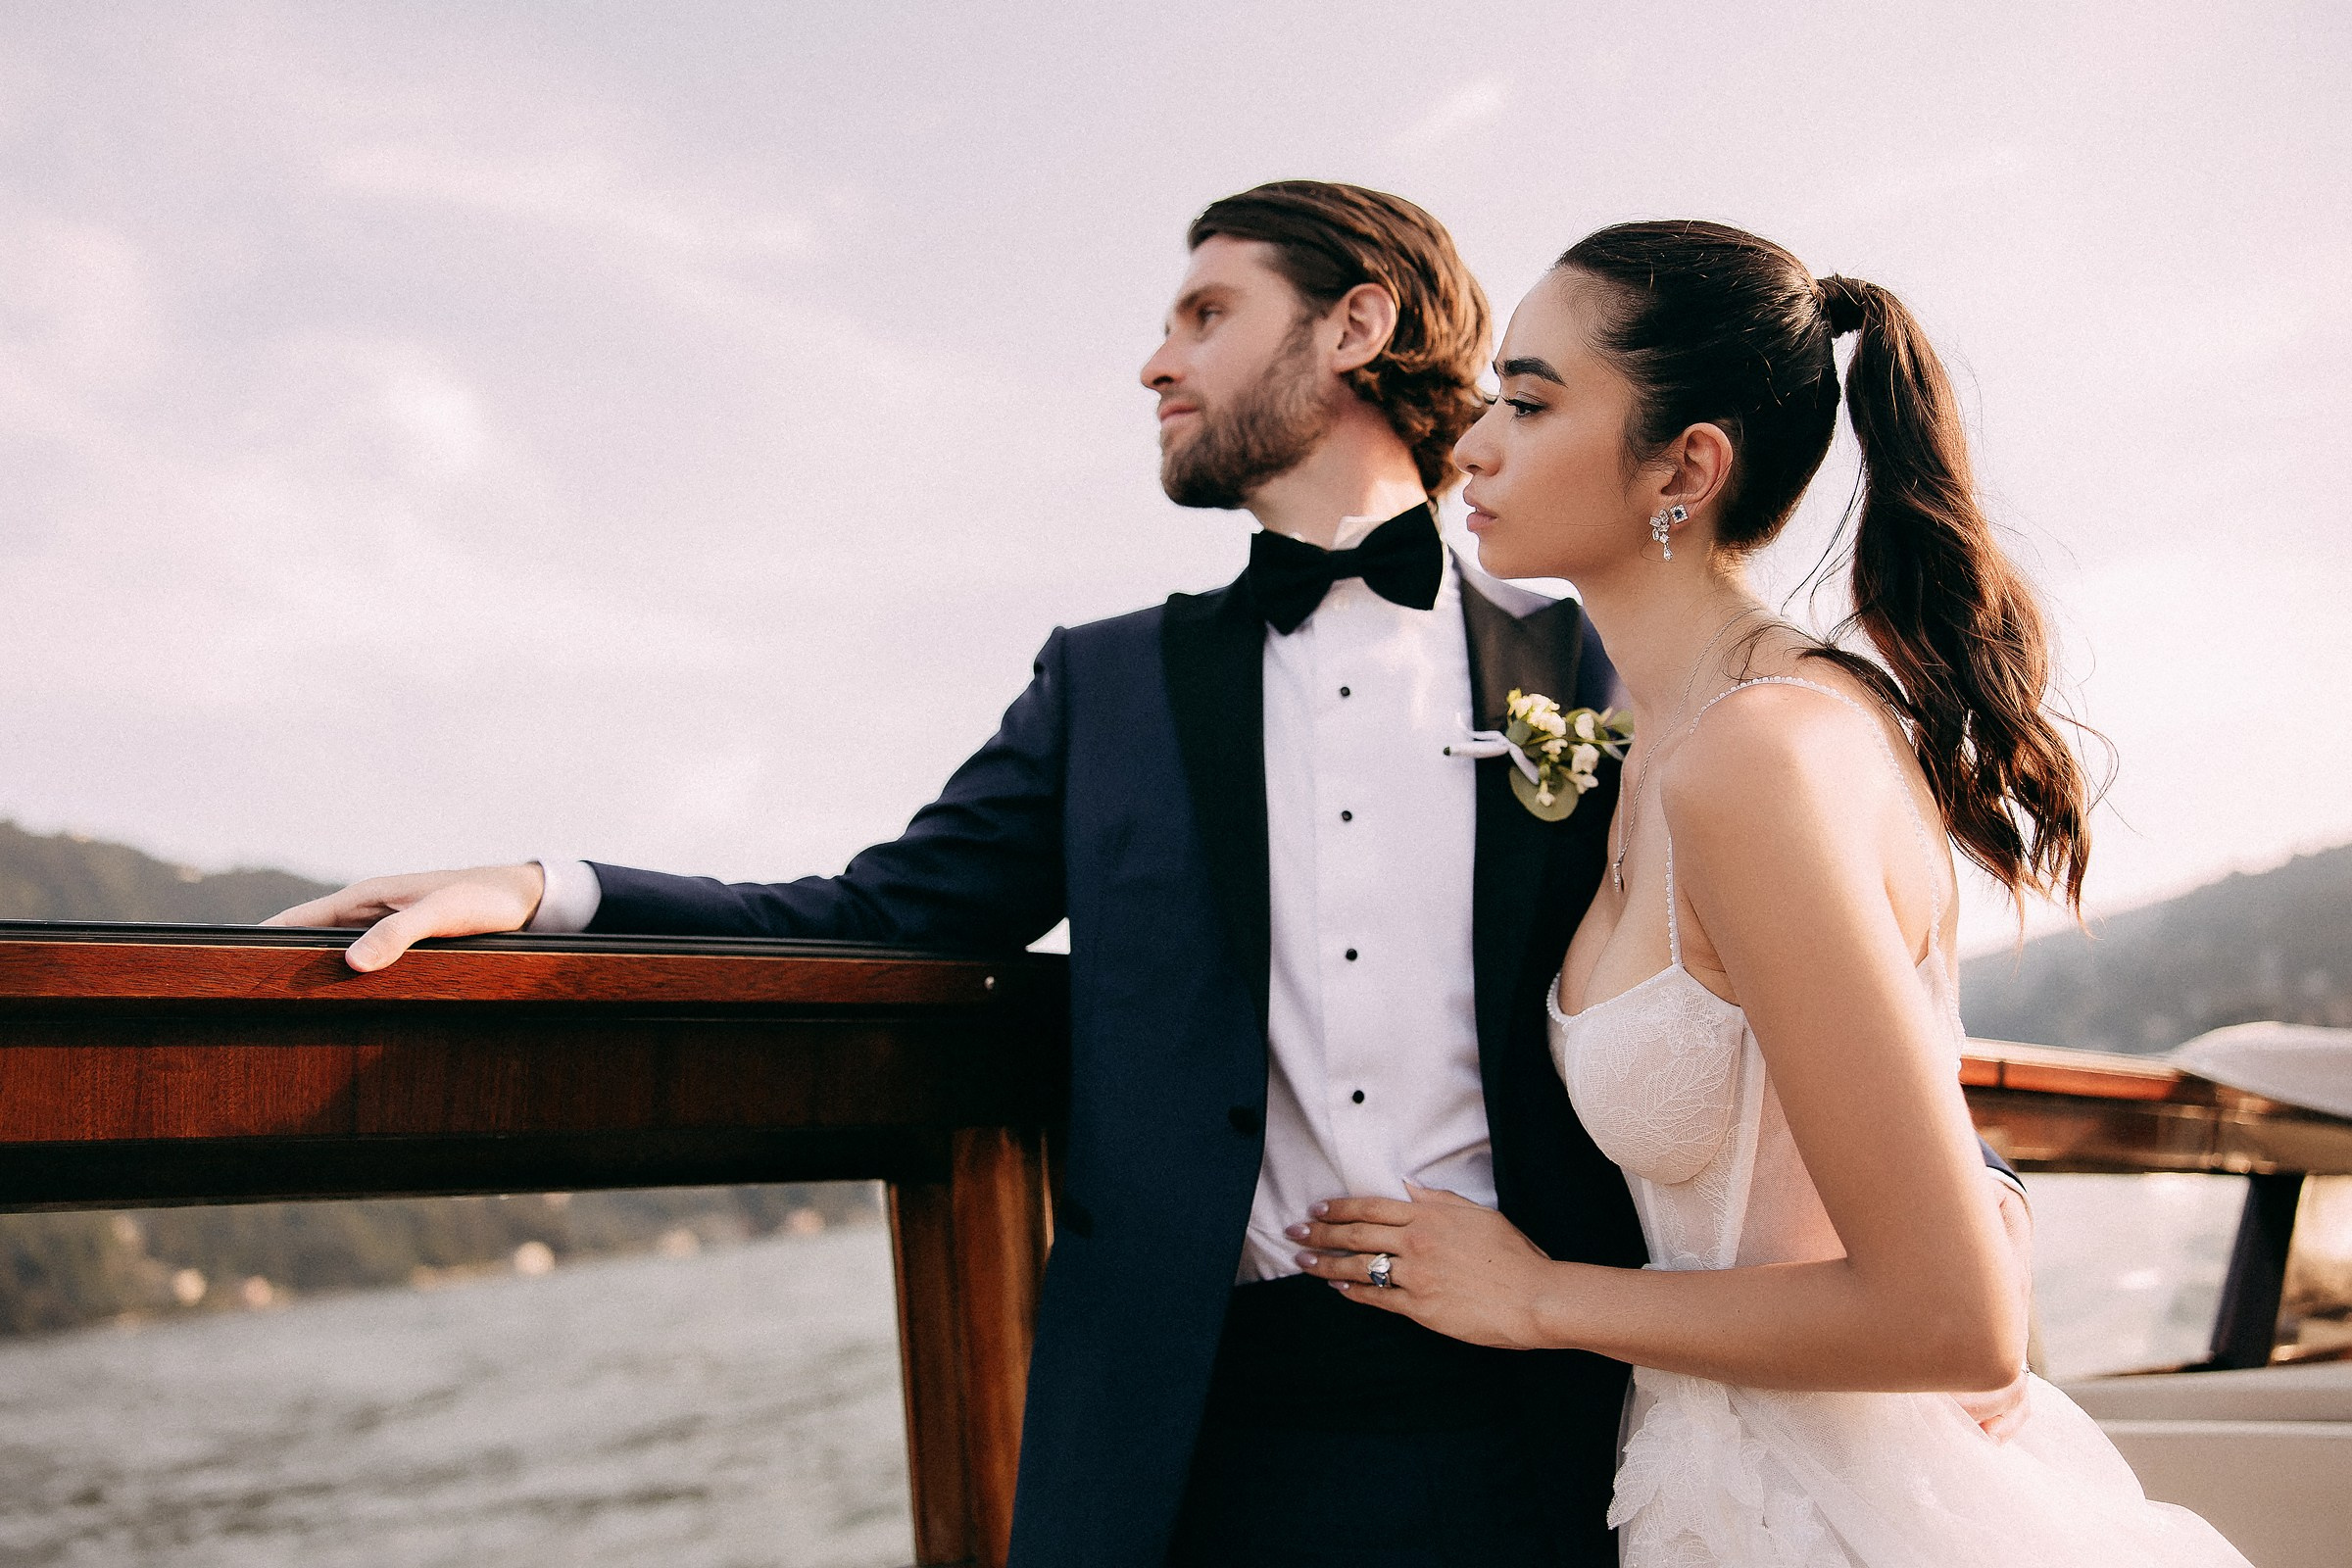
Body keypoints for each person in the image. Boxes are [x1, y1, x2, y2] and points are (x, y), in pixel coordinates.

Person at [269, 185, 2028, 1567]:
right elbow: (885, 915)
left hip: (1550, 1421)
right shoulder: (1102, 684)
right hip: (1200, 1425)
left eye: (1203, 312)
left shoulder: (1617, 667)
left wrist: (1962, 1227)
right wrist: (552, 885)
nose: (1154, 362)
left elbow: (1812, 1024)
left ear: (1354, 324)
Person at [1286, 220, 2248, 1565]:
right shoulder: (1670, 739)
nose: (1474, 445)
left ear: (1685, 466)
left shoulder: (1759, 755)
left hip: (1843, 1509)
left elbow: (1948, 1318)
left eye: (1531, 400)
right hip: (1712, 1484)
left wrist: (1541, 1298)